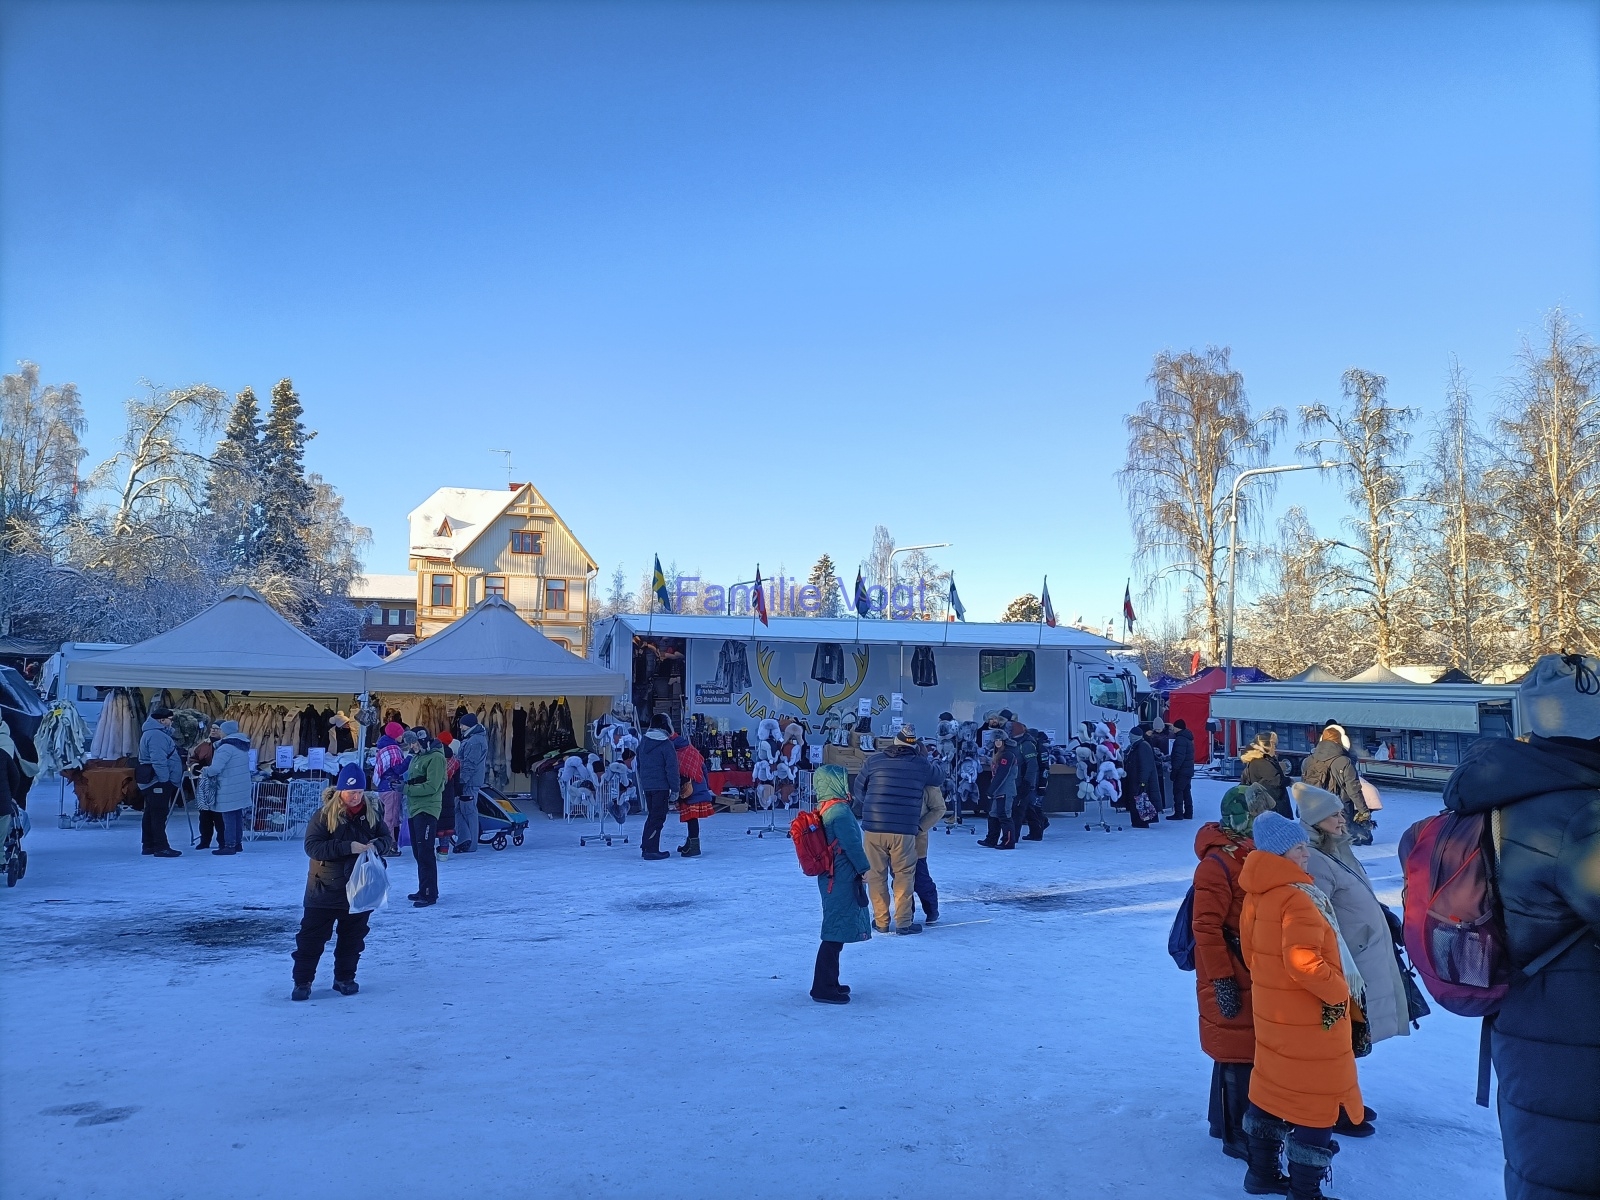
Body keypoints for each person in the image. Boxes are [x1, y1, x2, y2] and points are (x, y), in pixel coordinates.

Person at [1443, 654, 1600, 1200]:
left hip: (1526, 1029)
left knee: (1540, 1172)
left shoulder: (1501, 800)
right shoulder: (1582, 814)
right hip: (1580, 1046)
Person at [1239, 812, 1363, 1200]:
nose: (1306, 853)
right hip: (1311, 1019)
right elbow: (1303, 962)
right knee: (1316, 1102)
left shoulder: (1258, 893)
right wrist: (1339, 992)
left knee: (1272, 1090)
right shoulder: (1296, 897)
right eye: (1298, 848)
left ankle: (1261, 1175)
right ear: (1279, 853)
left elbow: (1251, 956)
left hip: (1275, 1015)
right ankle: (1305, 1192)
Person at [1192, 784, 1277, 1162]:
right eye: (1258, 814)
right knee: (1237, 1052)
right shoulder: (1217, 864)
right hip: (1230, 969)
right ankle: (1236, 1134)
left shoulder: (1249, 851)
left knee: (1239, 1048)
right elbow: (1205, 927)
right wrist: (1223, 980)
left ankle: (1222, 1122)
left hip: (1250, 965)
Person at [291, 762, 396, 1001]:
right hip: (324, 889)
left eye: (358, 791)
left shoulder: (372, 812)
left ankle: (344, 978)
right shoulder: (324, 815)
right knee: (311, 939)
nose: (355, 796)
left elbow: (386, 839)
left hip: (360, 890)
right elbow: (312, 847)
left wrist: (377, 846)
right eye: (350, 792)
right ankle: (302, 982)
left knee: (353, 939)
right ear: (339, 791)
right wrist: (348, 847)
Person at [852, 723, 941, 933]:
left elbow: (859, 789)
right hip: (904, 829)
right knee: (903, 875)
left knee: (876, 875)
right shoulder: (920, 764)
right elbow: (939, 776)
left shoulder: (874, 761)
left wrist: (872, 806)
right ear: (914, 746)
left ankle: (881, 922)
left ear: (894, 742)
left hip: (874, 828)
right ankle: (903, 923)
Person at [809, 764, 872, 1004]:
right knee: (834, 932)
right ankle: (823, 987)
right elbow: (852, 845)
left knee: (837, 928)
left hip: (831, 876)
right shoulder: (840, 812)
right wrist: (864, 868)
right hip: (841, 877)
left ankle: (830, 982)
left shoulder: (825, 808)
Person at [1302, 724, 1374, 845]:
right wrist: (1363, 811)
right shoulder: (1344, 761)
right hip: (1339, 809)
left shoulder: (1308, 760)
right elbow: (1353, 788)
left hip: (1315, 807)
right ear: (1339, 741)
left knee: (1321, 843)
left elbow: (1304, 786)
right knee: (1341, 843)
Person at [401, 728, 444, 907]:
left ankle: (429, 894)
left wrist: (405, 789)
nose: (412, 746)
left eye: (414, 742)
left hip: (427, 809)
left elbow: (432, 786)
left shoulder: (436, 758)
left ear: (422, 740)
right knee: (419, 853)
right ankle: (425, 888)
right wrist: (403, 784)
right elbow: (417, 780)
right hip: (415, 809)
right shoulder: (418, 757)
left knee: (425, 853)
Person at [200, 720, 252, 856]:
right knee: (237, 816)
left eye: (221, 730)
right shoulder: (242, 746)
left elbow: (216, 768)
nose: (219, 732)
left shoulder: (226, 747)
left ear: (226, 731)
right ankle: (238, 843)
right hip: (240, 786)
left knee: (228, 817)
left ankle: (229, 845)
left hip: (228, 786)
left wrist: (205, 771)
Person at [138, 706, 183, 857]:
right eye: (170, 719)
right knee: (158, 814)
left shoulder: (152, 733)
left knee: (151, 812)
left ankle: (149, 845)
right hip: (157, 781)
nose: (171, 722)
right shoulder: (156, 735)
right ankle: (161, 847)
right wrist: (165, 781)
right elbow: (158, 760)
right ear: (162, 720)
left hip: (152, 780)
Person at [636, 714, 680, 861]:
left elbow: (639, 764)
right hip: (661, 787)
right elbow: (671, 769)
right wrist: (675, 789)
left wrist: (644, 782)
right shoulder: (666, 744)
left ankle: (646, 846)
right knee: (658, 817)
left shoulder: (643, 742)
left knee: (652, 816)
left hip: (648, 786)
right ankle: (652, 850)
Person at [673, 733, 715, 857]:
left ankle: (694, 847)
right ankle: (689, 843)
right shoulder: (693, 751)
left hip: (689, 791)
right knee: (692, 819)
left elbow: (676, 774)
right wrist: (706, 787)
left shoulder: (676, 755)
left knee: (691, 819)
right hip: (699, 786)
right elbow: (704, 769)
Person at [454, 712, 488, 853]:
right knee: (460, 809)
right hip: (468, 780)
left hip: (469, 782)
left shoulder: (475, 741)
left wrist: (462, 781)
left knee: (468, 811)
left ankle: (471, 843)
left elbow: (469, 763)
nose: (460, 727)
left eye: (462, 724)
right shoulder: (473, 738)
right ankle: (465, 839)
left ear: (469, 725)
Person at [914, 779, 946, 924]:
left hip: (916, 840)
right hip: (895, 837)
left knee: (921, 879)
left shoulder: (927, 780)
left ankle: (931, 910)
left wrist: (920, 827)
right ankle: (905, 915)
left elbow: (939, 808)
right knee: (899, 880)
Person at [1239, 730, 1292, 818]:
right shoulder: (1261, 761)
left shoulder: (1264, 759)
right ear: (1265, 745)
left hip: (1270, 804)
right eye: (1273, 744)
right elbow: (1276, 780)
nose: (1275, 747)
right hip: (1270, 806)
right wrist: (1289, 781)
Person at [982, 730, 1019, 848]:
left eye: (1000, 740)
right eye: (996, 740)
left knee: (1004, 815)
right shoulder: (998, 754)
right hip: (998, 790)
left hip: (1005, 790)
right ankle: (991, 839)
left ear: (1004, 741)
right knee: (993, 814)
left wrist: (991, 790)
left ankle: (1008, 841)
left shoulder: (1008, 755)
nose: (998, 742)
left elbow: (1002, 774)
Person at [191, 725, 223, 849]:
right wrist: (196, 767)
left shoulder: (226, 746)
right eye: (212, 728)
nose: (213, 730)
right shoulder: (203, 745)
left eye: (217, 728)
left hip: (220, 783)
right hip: (204, 783)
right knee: (204, 814)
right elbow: (193, 759)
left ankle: (223, 841)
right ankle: (205, 840)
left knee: (219, 815)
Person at [374, 723, 407, 841]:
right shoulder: (393, 749)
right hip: (391, 787)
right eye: (401, 734)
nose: (402, 736)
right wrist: (409, 758)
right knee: (391, 818)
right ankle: (389, 844)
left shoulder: (383, 747)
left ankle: (394, 842)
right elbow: (398, 769)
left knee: (392, 817)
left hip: (383, 787)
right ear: (395, 735)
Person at [1121, 725, 1158, 829]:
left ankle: (1142, 821)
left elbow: (1145, 766)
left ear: (1134, 737)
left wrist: (1143, 781)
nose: (1129, 738)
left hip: (1139, 780)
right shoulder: (1135, 746)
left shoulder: (1142, 746)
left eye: (1130, 736)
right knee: (1136, 801)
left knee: (1140, 801)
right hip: (1135, 779)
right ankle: (1137, 821)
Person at [1010, 723, 1038, 846]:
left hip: (1022, 782)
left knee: (1018, 810)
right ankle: (1037, 831)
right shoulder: (1015, 743)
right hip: (1016, 781)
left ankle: (1013, 837)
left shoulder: (1026, 745)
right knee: (1027, 808)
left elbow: (1032, 765)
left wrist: (1027, 782)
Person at [435, 732, 458, 857]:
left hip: (436, 791)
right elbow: (457, 780)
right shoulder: (454, 759)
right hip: (449, 792)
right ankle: (444, 851)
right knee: (447, 822)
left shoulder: (435, 756)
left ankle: (430, 850)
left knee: (437, 820)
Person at [1170, 718, 1197, 821]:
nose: (1173, 729)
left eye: (1174, 727)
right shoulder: (1188, 738)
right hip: (1188, 770)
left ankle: (1178, 813)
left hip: (1181, 771)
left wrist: (1174, 771)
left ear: (1178, 728)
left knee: (1178, 791)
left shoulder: (1180, 740)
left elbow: (1179, 757)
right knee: (1186, 791)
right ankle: (1189, 813)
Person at [602, 748, 636, 825]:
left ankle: (618, 805)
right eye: (633, 760)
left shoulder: (619, 767)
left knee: (624, 806)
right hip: (617, 795)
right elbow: (624, 783)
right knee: (623, 808)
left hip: (617, 795)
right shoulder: (620, 768)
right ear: (629, 759)